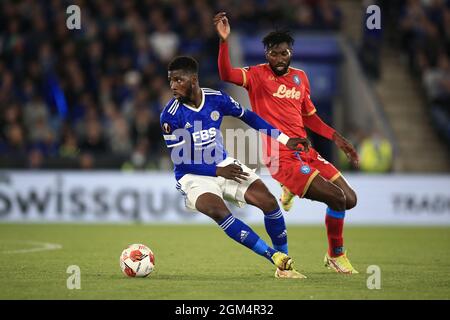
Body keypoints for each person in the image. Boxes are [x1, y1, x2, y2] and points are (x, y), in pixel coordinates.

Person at [214, 12, 360, 274]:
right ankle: (335, 255)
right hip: (279, 157)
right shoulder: (256, 76)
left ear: (291, 52)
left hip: (306, 152)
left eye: (284, 53)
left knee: (349, 199)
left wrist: (336, 137)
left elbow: (310, 118)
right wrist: (224, 41)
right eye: (274, 53)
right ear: (266, 53)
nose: (279, 59)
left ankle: (290, 190)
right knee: (336, 199)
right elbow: (226, 73)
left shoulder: (300, 77)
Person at [160, 56, 311, 278]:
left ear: (193, 79)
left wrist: (284, 139)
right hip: (193, 175)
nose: (172, 86)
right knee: (218, 211)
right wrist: (217, 171)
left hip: (223, 163)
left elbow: (249, 116)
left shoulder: (216, 99)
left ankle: (285, 265)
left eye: (178, 80)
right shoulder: (170, 116)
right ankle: (273, 256)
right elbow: (181, 161)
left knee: (269, 202)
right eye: (170, 81)